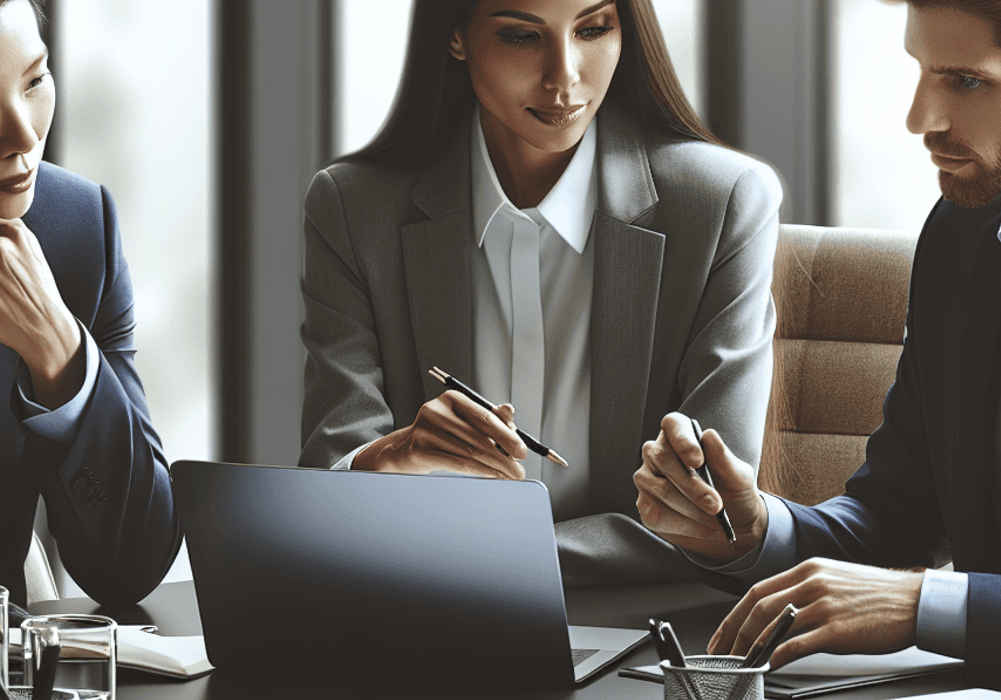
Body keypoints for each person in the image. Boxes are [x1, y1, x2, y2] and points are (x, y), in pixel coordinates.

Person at [299, 0, 781, 538]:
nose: (566, 77)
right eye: (523, 37)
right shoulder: (353, 209)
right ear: (456, 36)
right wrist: (386, 458)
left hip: (641, 613)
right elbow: (327, 479)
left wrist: (490, 563)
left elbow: (711, 516)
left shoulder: (723, 204)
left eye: (594, 28)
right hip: (419, 613)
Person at [634, 0, 1001, 689]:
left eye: (968, 81)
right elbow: (895, 519)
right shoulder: (961, 237)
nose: (920, 119)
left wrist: (924, 604)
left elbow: (907, 590)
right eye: (921, 72)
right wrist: (752, 529)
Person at [0, 0, 179, 608]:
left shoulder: (73, 231)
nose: (23, 134)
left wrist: (59, 351)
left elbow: (135, 563)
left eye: (34, 81)